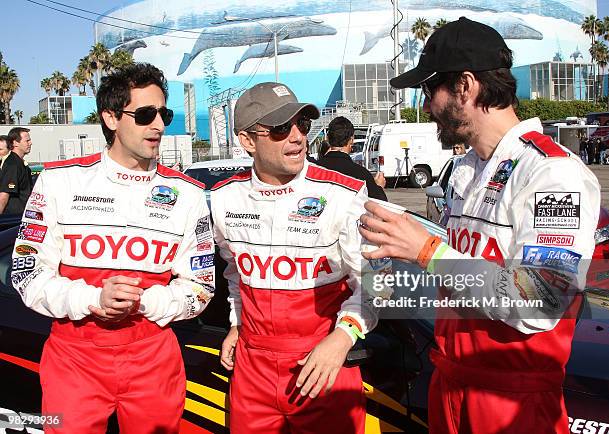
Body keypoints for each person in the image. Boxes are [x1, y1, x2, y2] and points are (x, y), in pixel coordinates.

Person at [359, 17, 600, 434]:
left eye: (427, 90)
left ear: (465, 87)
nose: (426, 106)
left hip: (512, 403)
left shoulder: (553, 174)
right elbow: (460, 269)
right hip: (450, 383)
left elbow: (540, 301)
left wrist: (428, 251)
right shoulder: (466, 169)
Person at [11, 63, 215, 433]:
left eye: (164, 114)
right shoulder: (58, 182)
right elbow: (27, 273)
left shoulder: (188, 194)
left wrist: (146, 302)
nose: (158, 125)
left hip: (153, 355)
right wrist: (91, 299)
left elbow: (201, 287)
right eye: (145, 115)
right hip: (74, 356)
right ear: (110, 117)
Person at [212, 82, 379, 434]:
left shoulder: (343, 193)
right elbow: (235, 274)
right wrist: (237, 323)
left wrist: (343, 337)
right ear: (246, 141)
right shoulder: (224, 198)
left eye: (301, 125)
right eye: (279, 129)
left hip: (324, 366)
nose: (296, 137)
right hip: (252, 370)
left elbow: (376, 283)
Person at [318, 116, 387, 201]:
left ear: (328, 138)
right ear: (351, 139)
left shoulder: (313, 168)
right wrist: (378, 187)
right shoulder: (361, 174)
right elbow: (380, 205)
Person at [0, 127, 33, 215]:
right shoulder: (12, 164)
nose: (30, 143)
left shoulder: (21, 163)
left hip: (23, 216)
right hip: (13, 219)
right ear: (15, 143)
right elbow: (4, 195)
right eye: (27, 141)